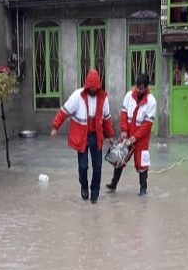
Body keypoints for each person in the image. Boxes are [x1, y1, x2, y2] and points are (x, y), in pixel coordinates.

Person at [51, 70, 114, 204]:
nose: (92, 92)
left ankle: (95, 193)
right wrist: (55, 127)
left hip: (96, 136)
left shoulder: (104, 98)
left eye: (95, 89)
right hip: (82, 136)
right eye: (90, 89)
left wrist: (110, 136)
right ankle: (84, 186)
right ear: (86, 87)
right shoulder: (77, 96)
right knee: (83, 166)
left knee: (98, 167)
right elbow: (64, 111)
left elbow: (107, 119)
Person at [106, 73, 156, 196]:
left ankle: (143, 189)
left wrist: (134, 138)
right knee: (119, 158)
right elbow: (123, 114)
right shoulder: (129, 96)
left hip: (141, 139)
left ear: (146, 87)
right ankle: (113, 184)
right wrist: (124, 131)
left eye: (141, 88)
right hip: (127, 135)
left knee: (142, 163)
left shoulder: (151, 101)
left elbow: (146, 126)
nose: (138, 90)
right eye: (137, 87)